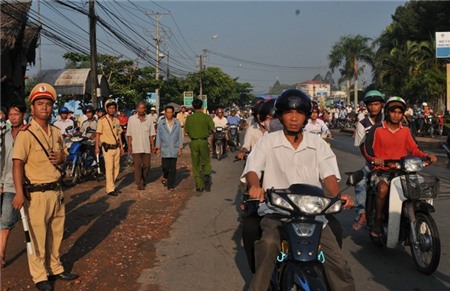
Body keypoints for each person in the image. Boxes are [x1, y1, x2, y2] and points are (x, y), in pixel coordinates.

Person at [242, 89, 355, 291]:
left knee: (337, 263)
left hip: (313, 215)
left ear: (305, 117)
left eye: (299, 113)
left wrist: (336, 196)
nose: (294, 118)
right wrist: (255, 187)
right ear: (281, 116)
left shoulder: (317, 144)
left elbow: (329, 177)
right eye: (288, 113)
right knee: (268, 244)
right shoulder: (268, 141)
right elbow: (252, 169)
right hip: (277, 211)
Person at [12, 83, 78, 291]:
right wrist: (19, 193)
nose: (44, 108)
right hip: (36, 194)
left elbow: (65, 157)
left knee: (56, 233)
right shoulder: (26, 134)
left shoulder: (56, 132)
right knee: (37, 236)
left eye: (48, 104)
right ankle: (40, 275)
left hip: (56, 191)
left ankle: (55, 267)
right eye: (40, 104)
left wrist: (62, 157)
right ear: (32, 108)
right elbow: (17, 164)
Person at [364, 96, 437, 237]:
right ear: (387, 112)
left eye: (399, 112)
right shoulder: (377, 129)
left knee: (418, 190)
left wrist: (427, 156)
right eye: (393, 112)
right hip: (382, 171)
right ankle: (378, 221)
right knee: (382, 189)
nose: (396, 115)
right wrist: (375, 159)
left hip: (403, 171)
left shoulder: (405, 131)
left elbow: (414, 149)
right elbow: (368, 149)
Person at [352, 90, 384, 230]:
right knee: (359, 181)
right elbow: (362, 146)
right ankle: (362, 213)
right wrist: (372, 160)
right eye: (370, 105)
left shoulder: (388, 120)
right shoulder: (362, 124)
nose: (373, 108)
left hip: (394, 163)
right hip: (373, 165)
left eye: (376, 104)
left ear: (382, 105)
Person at [1, 103, 27, 268]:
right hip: (10, 184)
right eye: (10, 114)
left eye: (16, 114)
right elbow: (2, 160)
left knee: (34, 221)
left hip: (29, 184)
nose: (13, 117)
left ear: (23, 115)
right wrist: (1, 182)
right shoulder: (5, 136)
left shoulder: (29, 133)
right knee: (5, 221)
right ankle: (1, 254)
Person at [185, 98, 214, 192]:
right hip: (203, 141)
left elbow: (186, 131)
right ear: (202, 106)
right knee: (205, 160)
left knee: (195, 164)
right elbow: (213, 128)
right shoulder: (206, 117)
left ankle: (199, 184)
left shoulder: (189, 118)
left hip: (193, 142)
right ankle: (206, 173)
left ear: (193, 107)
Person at [95, 99, 124, 196]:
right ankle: (110, 189)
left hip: (116, 147)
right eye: (110, 108)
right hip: (107, 148)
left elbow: (119, 134)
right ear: (106, 109)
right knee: (109, 168)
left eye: (113, 108)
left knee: (117, 168)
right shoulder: (102, 120)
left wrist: (121, 146)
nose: (112, 110)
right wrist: (97, 147)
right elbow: (98, 134)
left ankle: (112, 185)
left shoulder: (117, 120)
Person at [126, 101, 156, 190]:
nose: (141, 110)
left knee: (147, 165)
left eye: (143, 108)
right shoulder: (131, 119)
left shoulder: (149, 119)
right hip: (136, 146)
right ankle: (139, 183)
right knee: (137, 165)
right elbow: (129, 134)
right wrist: (129, 146)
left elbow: (151, 134)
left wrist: (153, 145)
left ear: (145, 109)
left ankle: (143, 178)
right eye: (139, 108)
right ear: (137, 108)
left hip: (146, 146)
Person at [155, 105, 183, 191]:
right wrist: (158, 147)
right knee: (165, 167)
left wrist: (180, 147)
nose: (169, 114)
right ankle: (165, 176)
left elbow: (179, 135)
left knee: (173, 168)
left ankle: (170, 185)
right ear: (165, 113)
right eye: (167, 112)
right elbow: (158, 136)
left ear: (173, 113)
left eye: (171, 112)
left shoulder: (177, 123)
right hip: (165, 148)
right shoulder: (161, 123)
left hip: (174, 148)